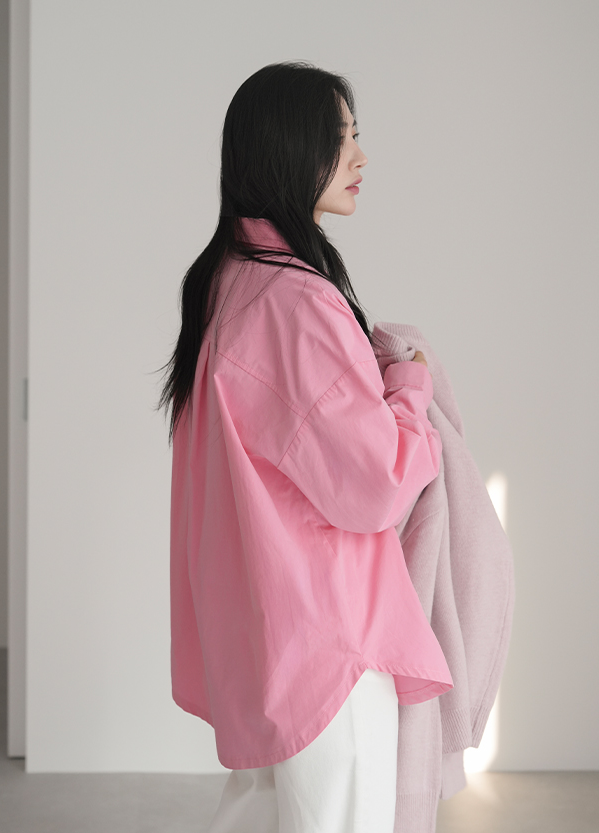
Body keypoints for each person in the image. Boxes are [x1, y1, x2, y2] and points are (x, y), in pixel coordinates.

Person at [156, 61, 452, 833]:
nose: (360, 157)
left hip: (265, 633)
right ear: (289, 148)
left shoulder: (228, 280)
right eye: (340, 138)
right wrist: (411, 388)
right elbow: (376, 482)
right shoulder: (297, 301)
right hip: (329, 642)